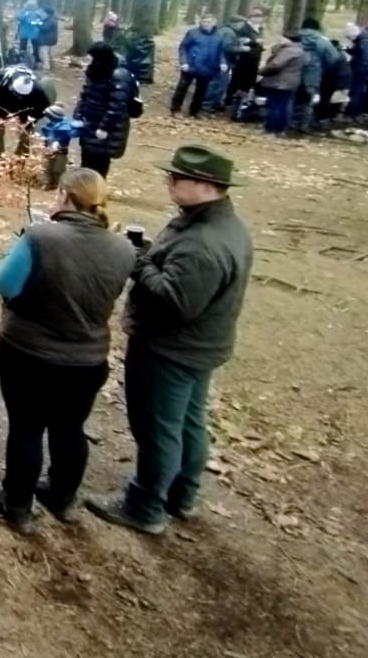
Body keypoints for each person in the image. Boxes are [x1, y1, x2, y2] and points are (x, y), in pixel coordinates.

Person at [87, 146, 254, 535]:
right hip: (200, 346)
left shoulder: (202, 244)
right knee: (189, 422)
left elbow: (175, 302)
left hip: (170, 349)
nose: (169, 183)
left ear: (206, 185)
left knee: (157, 428)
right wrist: (152, 256)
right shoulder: (219, 226)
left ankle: (145, 506)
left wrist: (140, 262)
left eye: (177, 178)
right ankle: (182, 494)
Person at [0, 169, 135, 533]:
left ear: (64, 195)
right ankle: (62, 497)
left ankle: (16, 504)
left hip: (29, 351)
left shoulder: (41, 236)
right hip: (88, 359)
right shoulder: (124, 247)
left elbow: (6, 283)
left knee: (27, 428)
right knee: (70, 428)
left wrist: (23, 244)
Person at [74, 42, 135, 176]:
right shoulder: (94, 70)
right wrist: (78, 114)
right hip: (89, 123)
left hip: (107, 128)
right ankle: (85, 182)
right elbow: (85, 93)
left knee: (100, 162)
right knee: (87, 156)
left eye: (91, 58)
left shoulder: (119, 75)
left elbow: (116, 105)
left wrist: (104, 128)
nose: (88, 61)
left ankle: (96, 185)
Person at [0, 64, 55, 158]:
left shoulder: (39, 92)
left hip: (27, 107)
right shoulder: (0, 79)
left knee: (27, 132)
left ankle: (21, 155)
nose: (18, 97)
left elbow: (40, 112)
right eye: (17, 94)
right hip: (3, 100)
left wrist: (28, 123)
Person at [171, 13, 226, 118]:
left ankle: (194, 111)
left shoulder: (219, 35)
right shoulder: (193, 33)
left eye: (209, 22)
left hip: (208, 67)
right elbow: (183, 47)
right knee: (182, 88)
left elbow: (221, 51)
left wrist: (222, 62)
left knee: (201, 90)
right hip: (191, 66)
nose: (206, 24)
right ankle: (175, 109)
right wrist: (184, 62)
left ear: (214, 22)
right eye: (204, 21)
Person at [295, 18, 343, 132]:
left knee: (292, 98)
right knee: (308, 100)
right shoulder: (323, 41)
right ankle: (303, 125)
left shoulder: (294, 38)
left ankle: (288, 122)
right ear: (317, 28)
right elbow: (334, 58)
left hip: (292, 74)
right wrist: (322, 68)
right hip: (313, 75)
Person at [258, 29, 305, 135]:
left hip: (278, 82)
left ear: (289, 39)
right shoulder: (300, 50)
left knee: (274, 106)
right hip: (290, 83)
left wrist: (261, 71)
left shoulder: (288, 51)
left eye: (282, 38)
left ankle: (270, 128)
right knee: (283, 106)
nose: (280, 40)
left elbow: (275, 65)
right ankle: (281, 129)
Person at [15, 0, 43, 70]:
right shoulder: (23, 11)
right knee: (22, 47)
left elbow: (41, 20)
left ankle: (36, 60)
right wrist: (25, 15)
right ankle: (22, 59)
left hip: (34, 32)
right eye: (30, 6)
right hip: (24, 32)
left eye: (32, 6)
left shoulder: (38, 12)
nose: (31, 7)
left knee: (35, 47)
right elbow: (19, 18)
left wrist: (37, 22)